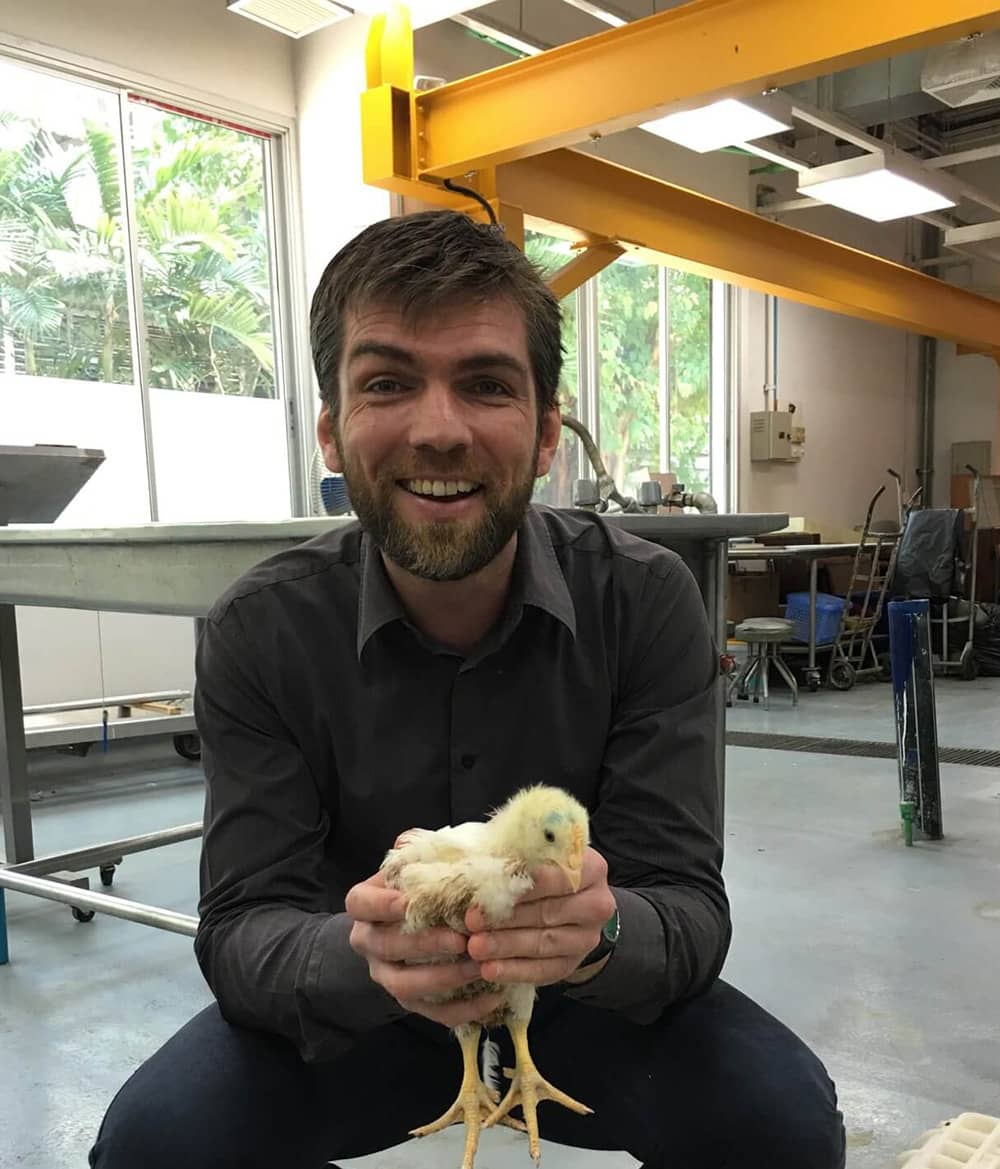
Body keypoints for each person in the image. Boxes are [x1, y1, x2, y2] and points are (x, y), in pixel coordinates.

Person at [89, 210, 846, 1169]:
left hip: (583, 999)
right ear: (332, 428)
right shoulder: (264, 629)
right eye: (388, 383)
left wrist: (600, 933)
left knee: (780, 1122)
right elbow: (243, 929)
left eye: (486, 384)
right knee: (159, 1143)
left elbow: (689, 908)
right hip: (359, 1011)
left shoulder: (645, 601)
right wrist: (367, 955)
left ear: (543, 432)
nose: (439, 429)